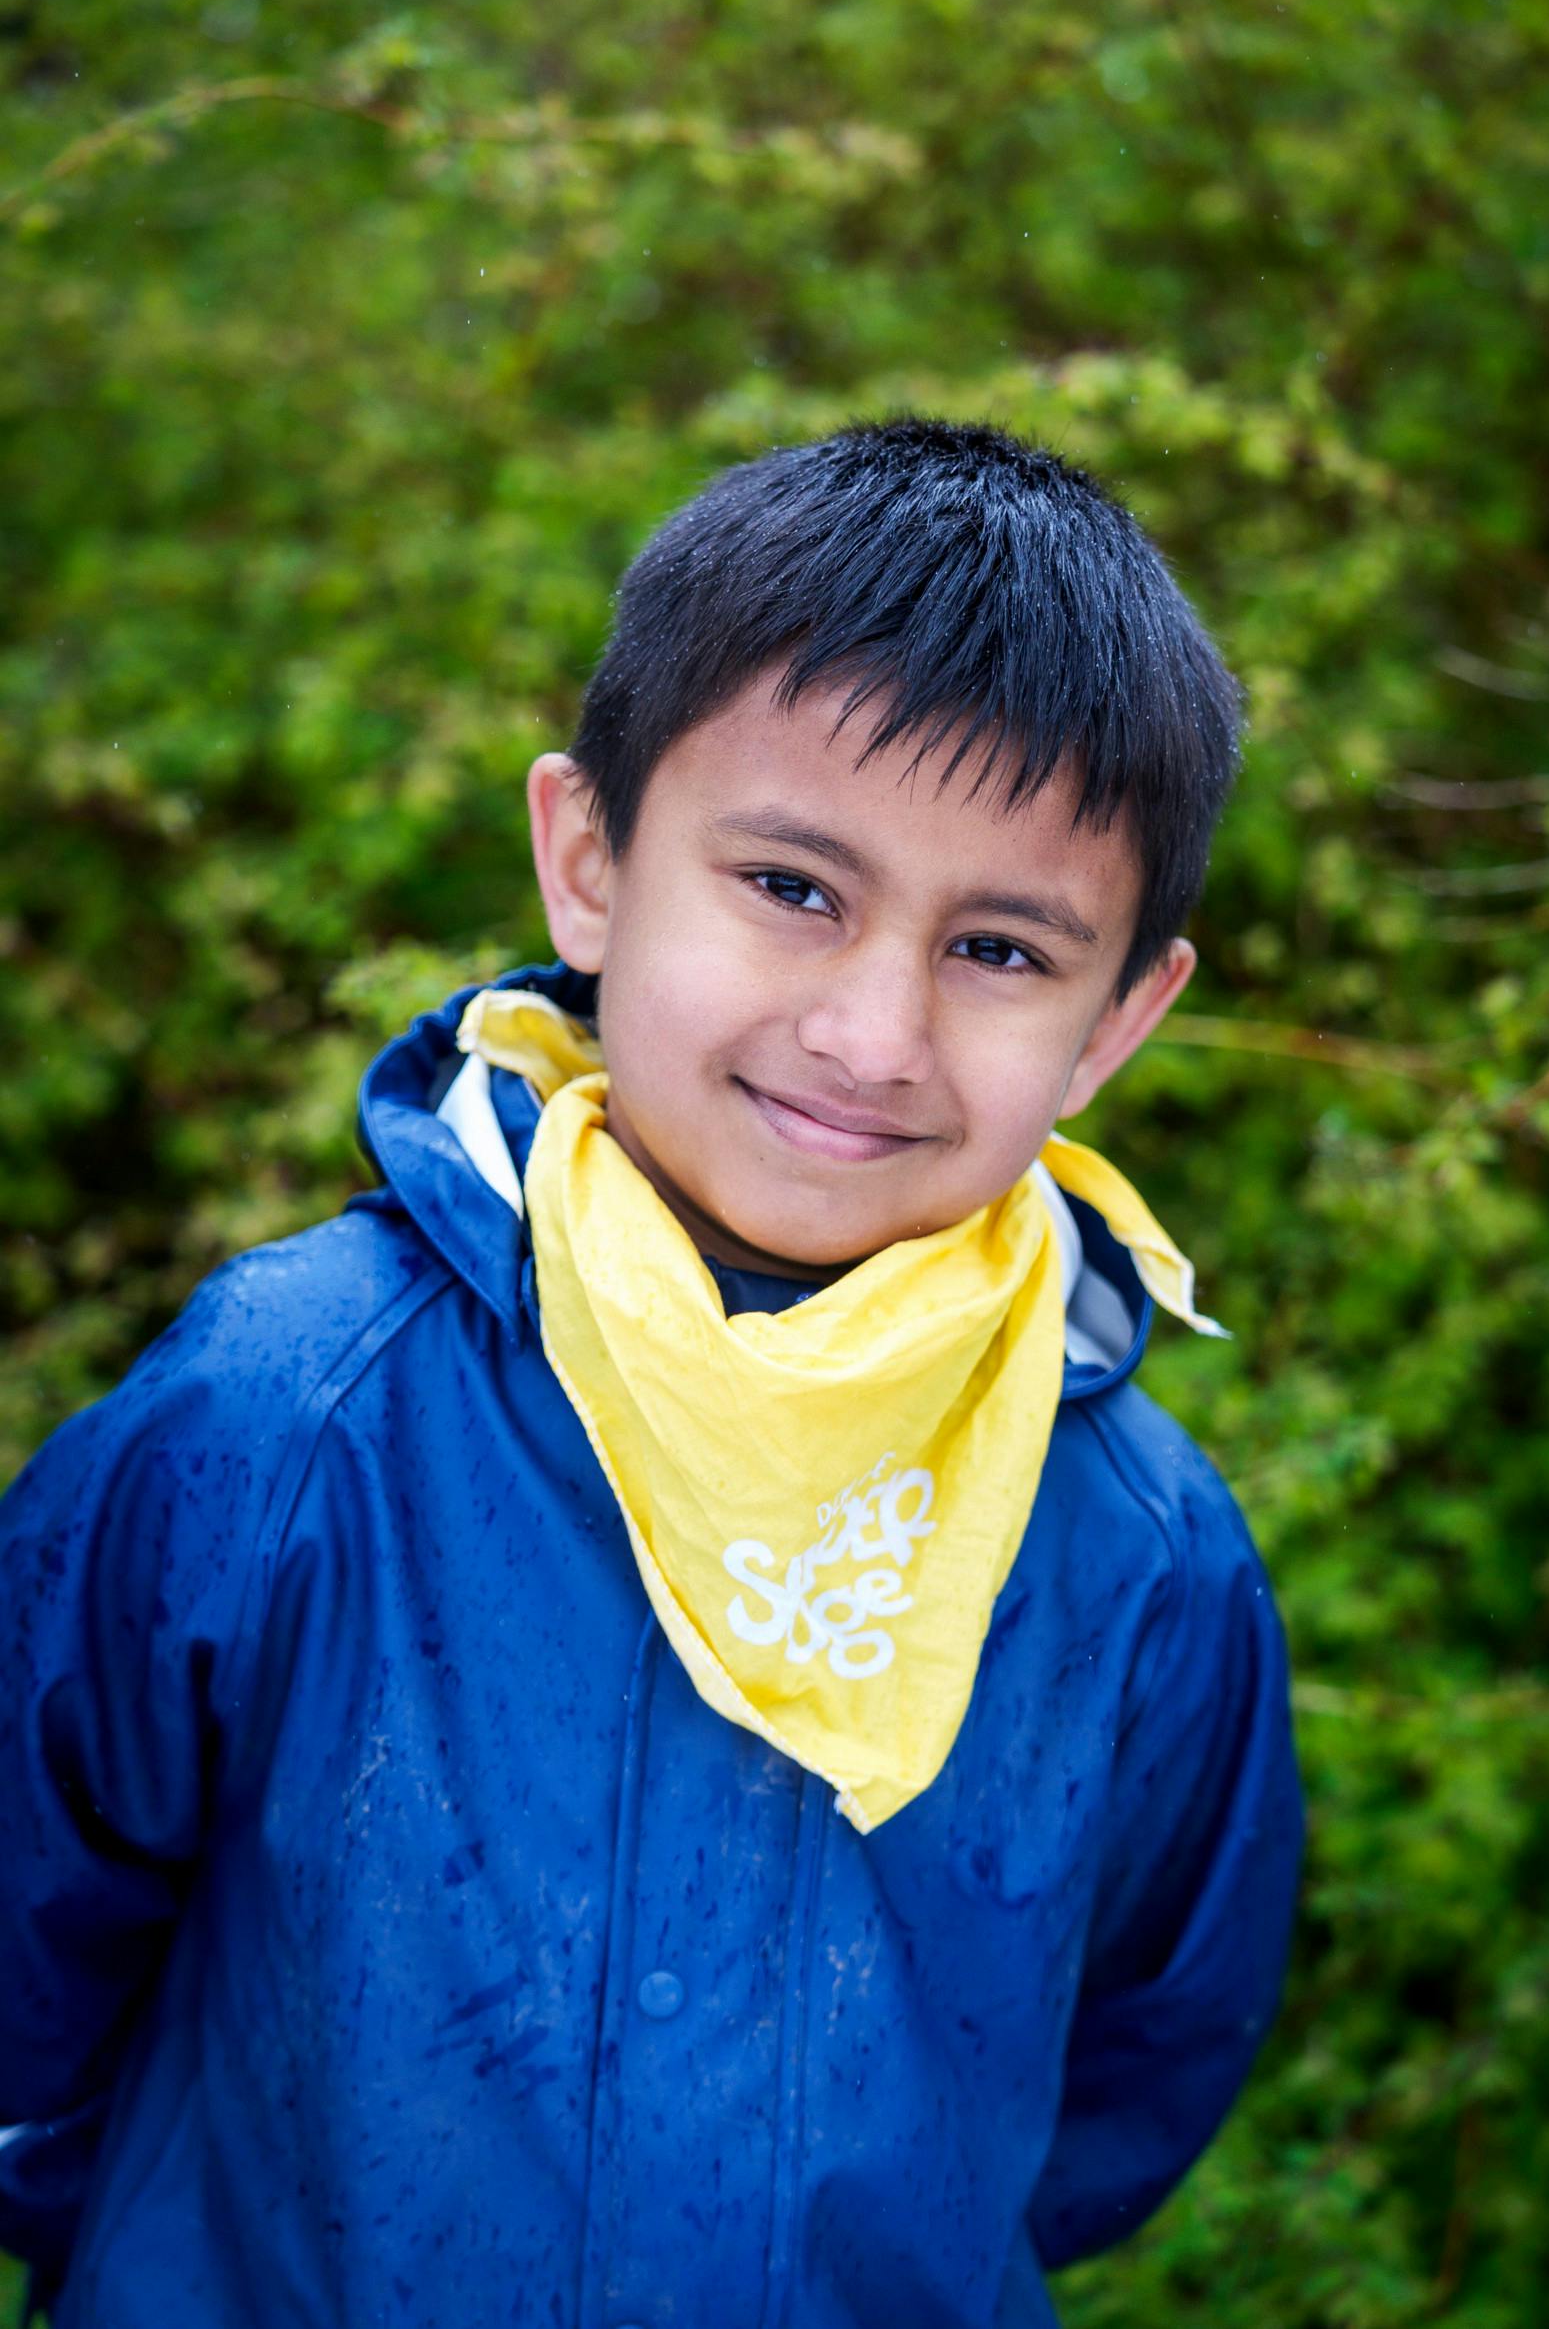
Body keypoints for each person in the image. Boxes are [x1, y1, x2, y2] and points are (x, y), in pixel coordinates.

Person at [0, 418, 1301, 2327]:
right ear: (589, 860)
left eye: (1003, 947)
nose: (871, 1033)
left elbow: (1120, 2086)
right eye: (792, 887)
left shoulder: (1138, 1557)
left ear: (1118, 1021)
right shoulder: (288, 1417)